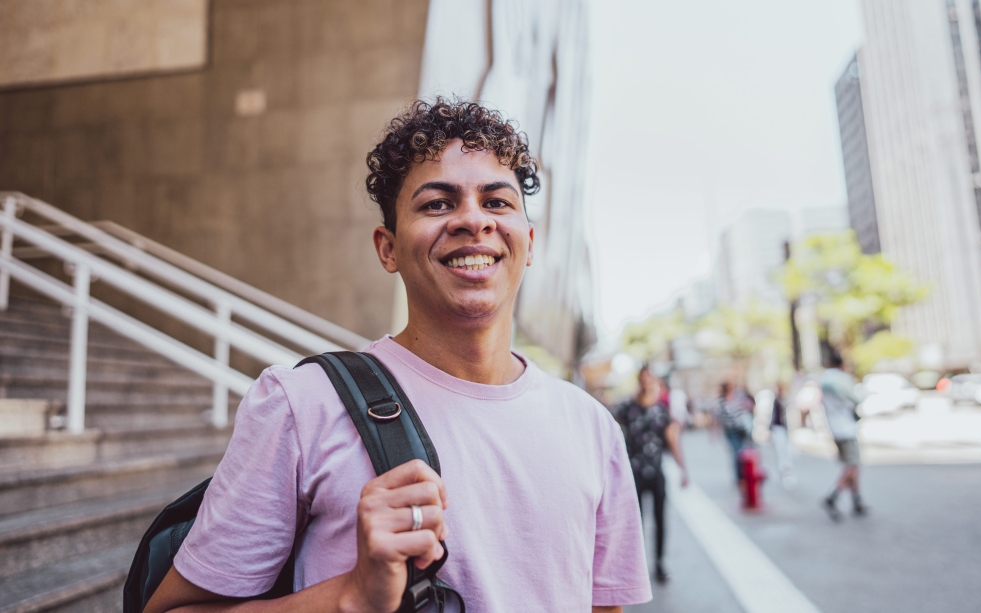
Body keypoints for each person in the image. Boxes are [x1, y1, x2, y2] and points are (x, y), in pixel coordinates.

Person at [145, 99, 651, 613]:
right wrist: (351, 595)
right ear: (387, 248)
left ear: (530, 241)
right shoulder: (302, 406)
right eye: (437, 204)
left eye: (497, 202)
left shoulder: (593, 428)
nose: (473, 219)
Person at [614, 367, 689, 584]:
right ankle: (633, 567)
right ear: (639, 381)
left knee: (660, 519)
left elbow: (672, 439)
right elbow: (611, 431)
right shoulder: (627, 408)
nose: (647, 383)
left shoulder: (661, 410)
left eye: (650, 379)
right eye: (644, 379)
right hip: (633, 474)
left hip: (656, 473)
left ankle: (660, 563)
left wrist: (683, 469)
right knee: (634, 522)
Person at [820, 351, 867, 520]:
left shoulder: (823, 379)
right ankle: (833, 495)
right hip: (847, 428)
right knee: (852, 464)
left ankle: (857, 501)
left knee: (852, 465)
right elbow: (856, 399)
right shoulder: (842, 378)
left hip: (834, 428)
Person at [717, 381, 755, 487]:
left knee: (742, 452)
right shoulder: (722, 401)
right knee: (736, 453)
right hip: (730, 431)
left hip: (740, 430)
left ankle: (743, 475)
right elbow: (719, 417)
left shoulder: (738, 397)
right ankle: (739, 477)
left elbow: (748, 405)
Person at [769, 382, 796, 488]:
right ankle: (784, 473)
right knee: (781, 453)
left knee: (786, 453)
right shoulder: (777, 400)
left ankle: (787, 473)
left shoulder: (784, 400)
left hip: (784, 429)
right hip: (778, 429)